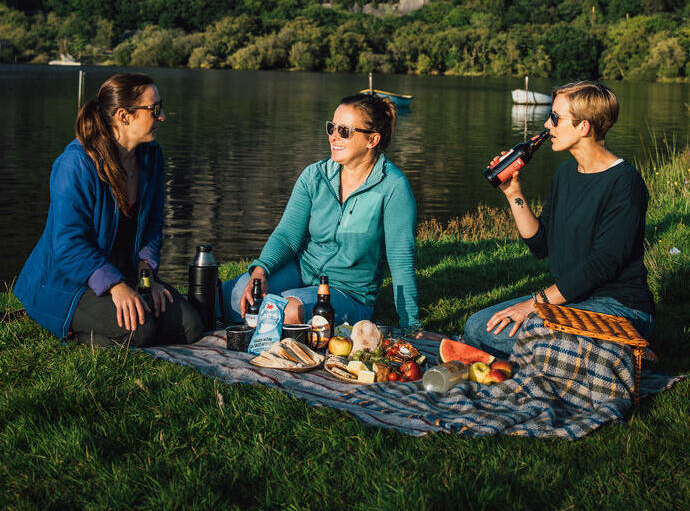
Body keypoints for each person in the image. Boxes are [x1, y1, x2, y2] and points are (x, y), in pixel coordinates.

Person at [463, 81, 655, 360]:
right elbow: (540, 245)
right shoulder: (566, 173)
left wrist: (533, 304)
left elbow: (602, 265)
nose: (547, 125)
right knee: (477, 327)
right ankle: (600, 353)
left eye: (555, 117)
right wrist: (513, 193)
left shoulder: (625, 183)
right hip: (573, 301)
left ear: (583, 127)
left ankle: (625, 348)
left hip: (620, 307)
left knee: (509, 334)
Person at [14, 73, 203, 347]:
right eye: (154, 109)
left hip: (124, 271)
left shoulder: (152, 156)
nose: (161, 117)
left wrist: (146, 273)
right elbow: (68, 245)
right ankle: (64, 325)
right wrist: (116, 286)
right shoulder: (74, 166)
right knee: (140, 331)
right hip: (68, 282)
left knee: (190, 325)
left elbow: (153, 223)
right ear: (124, 116)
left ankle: (115, 323)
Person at [222, 93, 419, 331]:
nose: (334, 136)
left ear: (372, 140)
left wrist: (411, 326)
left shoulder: (393, 187)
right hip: (302, 271)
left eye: (345, 131)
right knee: (236, 295)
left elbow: (401, 262)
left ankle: (271, 316)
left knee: (290, 311)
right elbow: (287, 236)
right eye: (332, 127)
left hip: (347, 293)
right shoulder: (314, 175)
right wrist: (261, 271)